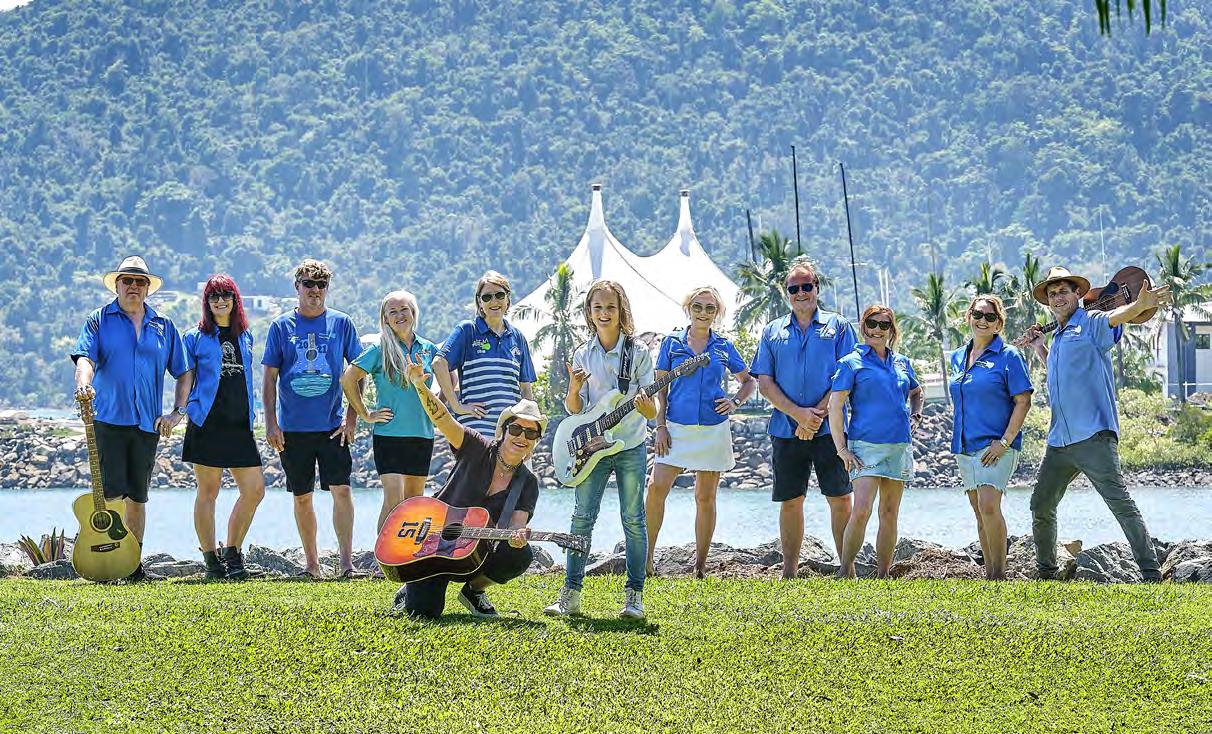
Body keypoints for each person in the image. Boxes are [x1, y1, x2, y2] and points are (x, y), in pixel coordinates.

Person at [1020, 266, 1170, 582]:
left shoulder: (1091, 322)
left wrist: (1139, 306)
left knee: (1120, 504)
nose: (1057, 297)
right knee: (1040, 505)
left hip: (1093, 437)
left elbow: (1116, 317)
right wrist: (1039, 347)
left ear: (1078, 293)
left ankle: (1151, 573)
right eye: (1052, 293)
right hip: (1059, 441)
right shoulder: (1058, 337)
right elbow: (1059, 370)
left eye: (1063, 291)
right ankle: (1046, 573)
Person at [394, 352, 543, 620]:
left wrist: (517, 537)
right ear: (503, 431)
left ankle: (474, 591)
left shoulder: (528, 483)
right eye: (516, 429)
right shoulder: (475, 447)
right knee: (424, 612)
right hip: (435, 543)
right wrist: (420, 386)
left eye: (531, 433)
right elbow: (443, 419)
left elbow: (516, 525)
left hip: (476, 554)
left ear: (535, 442)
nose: (522, 437)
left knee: (520, 555)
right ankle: (412, 587)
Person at [71, 256, 192, 582]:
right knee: (110, 498)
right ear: (117, 285)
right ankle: (109, 566)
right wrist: (83, 384)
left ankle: (133, 567)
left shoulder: (164, 326)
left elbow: (184, 372)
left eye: (140, 282)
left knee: (138, 497)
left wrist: (177, 412)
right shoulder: (99, 320)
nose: (134, 286)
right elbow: (85, 359)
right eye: (127, 281)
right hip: (108, 420)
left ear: (148, 288)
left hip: (146, 424)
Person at [545, 280, 657, 619]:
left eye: (610, 307)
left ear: (621, 310)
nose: (604, 313)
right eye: (598, 308)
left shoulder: (638, 352)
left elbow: (652, 411)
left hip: (630, 445)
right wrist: (574, 388)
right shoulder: (582, 353)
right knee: (582, 518)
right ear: (589, 312)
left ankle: (634, 597)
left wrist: (645, 406)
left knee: (633, 520)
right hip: (591, 448)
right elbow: (576, 410)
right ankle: (570, 595)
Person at [749, 257, 857, 579]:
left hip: (831, 431)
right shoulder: (772, 331)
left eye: (806, 286)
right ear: (787, 293)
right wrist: (799, 415)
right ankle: (789, 572)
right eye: (793, 288)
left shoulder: (839, 327)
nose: (800, 293)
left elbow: (846, 377)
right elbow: (764, 383)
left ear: (817, 287)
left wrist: (816, 417)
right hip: (786, 429)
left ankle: (848, 570)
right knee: (791, 501)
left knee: (841, 499)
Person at [262, 259, 366, 580]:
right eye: (309, 284)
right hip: (293, 429)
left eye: (322, 285)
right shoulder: (281, 326)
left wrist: (352, 417)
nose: (315, 290)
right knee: (302, 496)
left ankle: (346, 565)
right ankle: (312, 565)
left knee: (342, 491)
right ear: (297, 287)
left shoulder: (342, 323)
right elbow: (269, 378)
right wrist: (271, 423)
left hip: (333, 426)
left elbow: (358, 372)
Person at [645, 286, 757, 578]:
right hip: (675, 427)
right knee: (656, 488)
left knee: (705, 498)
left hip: (713, 429)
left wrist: (734, 402)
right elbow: (660, 390)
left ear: (716, 312)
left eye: (710, 308)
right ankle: (646, 560)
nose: (703, 312)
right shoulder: (671, 343)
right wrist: (660, 426)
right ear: (688, 308)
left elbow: (749, 381)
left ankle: (700, 566)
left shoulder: (724, 346)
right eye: (698, 306)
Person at [829, 305, 923, 579]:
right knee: (861, 510)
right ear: (863, 326)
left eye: (884, 325)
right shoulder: (850, 362)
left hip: (899, 445)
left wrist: (916, 415)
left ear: (891, 330)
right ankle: (845, 571)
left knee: (890, 512)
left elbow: (917, 392)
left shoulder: (902, 362)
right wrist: (842, 449)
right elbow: (835, 407)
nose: (877, 329)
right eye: (872, 323)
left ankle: (883, 575)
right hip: (864, 447)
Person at [182, 275, 266, 581]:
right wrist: (183, 410)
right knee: (208, 492)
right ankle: (212, 563)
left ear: (235, 299)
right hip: (207, 423)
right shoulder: (194, 337)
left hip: (240, 425)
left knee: (254, 490)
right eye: (214, 296)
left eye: (225, 295)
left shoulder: (246, 335)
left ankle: (233, 555)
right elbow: (185, 378)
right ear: (206, 301)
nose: (220, 300)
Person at [948, 295, 1032, 581]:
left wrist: (1004, 442)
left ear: (999, 324)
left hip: (997, 446)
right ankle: (989, 575)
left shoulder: (1009, 355)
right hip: (964, 446)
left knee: (988, 505)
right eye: (978, 314)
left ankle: (999, 575)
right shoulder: (957, 357)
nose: (982, 320)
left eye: (990, 316)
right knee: (979, 511)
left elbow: (1023, 401)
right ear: (969, 317)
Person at [341, 290, 438, 531]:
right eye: (392, 311)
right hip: (389, 435)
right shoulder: (379, 348)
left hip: (422, 434)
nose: (399, 315)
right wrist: (366, 414)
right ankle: (382, 552)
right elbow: (348, 379)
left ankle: (407, 552)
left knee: (414, 503)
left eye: (404, 309)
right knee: (394, 500)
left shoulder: (428, 348)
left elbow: (450, 378)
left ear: (413, 312)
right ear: (385, 318)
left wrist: (439, 408)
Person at [432, 271, 536, 439]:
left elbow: (525, 389)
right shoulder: (467, 330)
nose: (494, 301)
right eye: (487, 297)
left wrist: (530, 429)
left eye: (499, 295)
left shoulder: (518, 337)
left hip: (510, 434)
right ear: (479, 302)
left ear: (508, 299)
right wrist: (456, 406)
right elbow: (438, 363)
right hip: (476, 433)